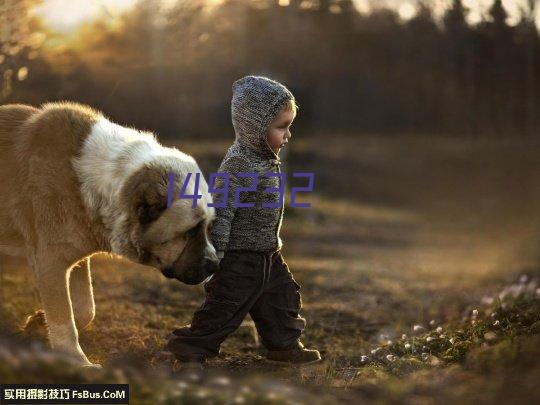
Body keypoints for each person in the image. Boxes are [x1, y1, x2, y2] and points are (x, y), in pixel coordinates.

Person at [166, 75, 321, 369]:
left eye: (289, 126)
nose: (288, 135)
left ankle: (283, 345)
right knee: (225, 305)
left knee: (282, 298)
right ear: (255, 128)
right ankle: (192, 346)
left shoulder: (266, 159)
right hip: (238, 257)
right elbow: (221, 210)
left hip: (268, 253)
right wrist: (217, 254)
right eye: (282, 127)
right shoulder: (239, 163)